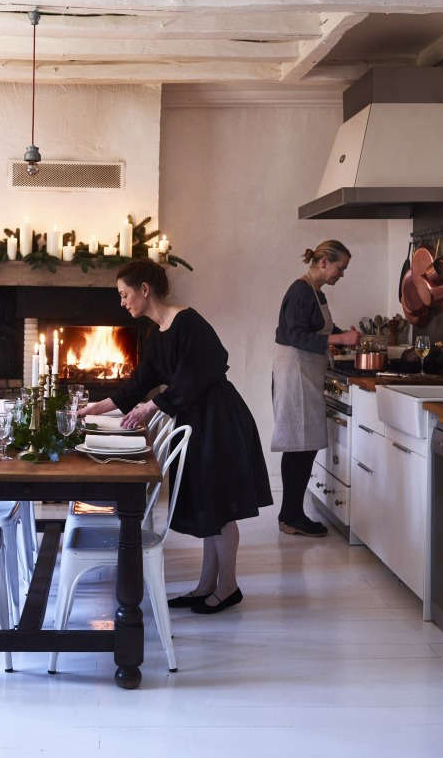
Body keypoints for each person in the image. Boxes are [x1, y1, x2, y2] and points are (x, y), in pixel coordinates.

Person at [79, 258, 272, 614]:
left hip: (219, 419)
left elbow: (206, 370)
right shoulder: (156, 334)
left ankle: (228, 587)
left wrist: (153, 407)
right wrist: (97, 407)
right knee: (209, 505)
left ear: (145, 290)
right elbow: (139, 383)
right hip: (193, 420)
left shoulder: (188, 322)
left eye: (125, 294)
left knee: (221, 507)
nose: (122, 302)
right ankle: (205, 586)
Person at [271, 240, 359, 537]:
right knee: (299, 446)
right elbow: (294, 334)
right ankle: (291, 515)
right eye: (340, 267)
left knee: (303, 446)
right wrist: (339, 341)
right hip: (295, 372)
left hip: (305, 371)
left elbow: (318, 328)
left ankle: (291, 514)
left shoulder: (315, 292)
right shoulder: (300, 291)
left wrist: (342, 333)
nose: (341, 274)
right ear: (324, 262)